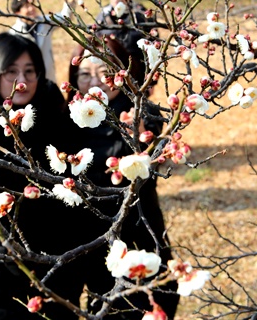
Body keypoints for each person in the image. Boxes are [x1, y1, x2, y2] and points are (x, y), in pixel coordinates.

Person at [0, 33, 81, 319]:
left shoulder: (50, 103)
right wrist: (17, 253)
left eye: (29, 71)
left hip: (56, 253)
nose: (21, 79)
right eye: (11, 71)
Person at [66, 38, 180, 318]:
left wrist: (138, 135)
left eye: (105, 72)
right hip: (92, 234)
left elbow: (154, 163)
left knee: (155, 299)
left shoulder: (144, 113)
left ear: (121, 74)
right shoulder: (67, 119)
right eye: (84, 74)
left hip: (140, 225)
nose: (96, 81)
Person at [9, 0, 77, 83]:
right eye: (26, 6)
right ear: (17, 12)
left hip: (48, 73)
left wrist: (69, 3)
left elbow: (64, 18)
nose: (31, 8)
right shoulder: (14, 33)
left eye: (32, 4)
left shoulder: (44, 22)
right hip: (27, 78)